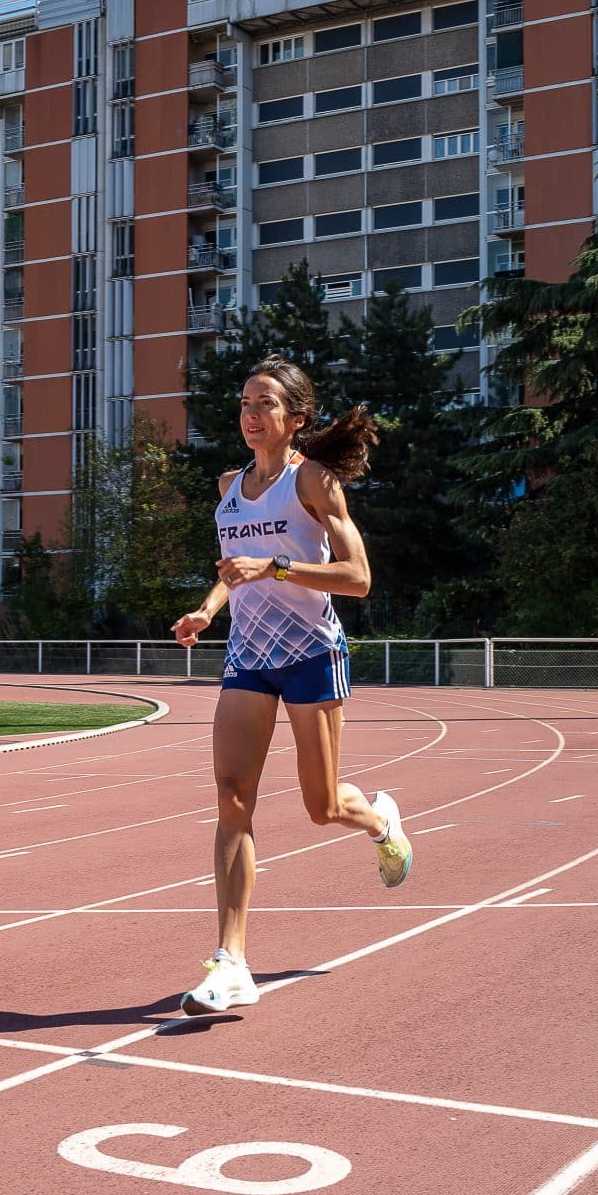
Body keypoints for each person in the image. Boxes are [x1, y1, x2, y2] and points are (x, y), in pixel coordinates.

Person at [168, 354, 413, 1017]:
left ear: (295, 419)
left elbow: (358, 576)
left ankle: (379, 818)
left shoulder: (315, 481)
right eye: (244, 402)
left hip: (311, 653)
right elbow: (234, 567)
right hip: (248, 655)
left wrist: (276, 567)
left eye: (264, 405)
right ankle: (231, 961)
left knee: (321, 804)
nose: (249, 414)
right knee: (231, 797)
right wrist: (209, 608)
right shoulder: (228, 483)